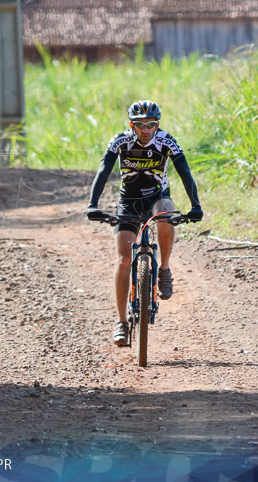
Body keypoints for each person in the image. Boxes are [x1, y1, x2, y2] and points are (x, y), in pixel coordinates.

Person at [86, 100, 203, 346]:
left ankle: (164, 269)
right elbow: (103, 170)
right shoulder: (120, 141)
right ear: (132, 125)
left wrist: (196, 205)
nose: (145, 130)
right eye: (140, 125)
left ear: (157, 125)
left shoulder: (166, 141)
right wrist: (93, 204)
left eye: (150, 125)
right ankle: (121, 322)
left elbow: (185, 172)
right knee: (124, 258)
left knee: (165, 213)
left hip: (156, 197)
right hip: (128, 200)